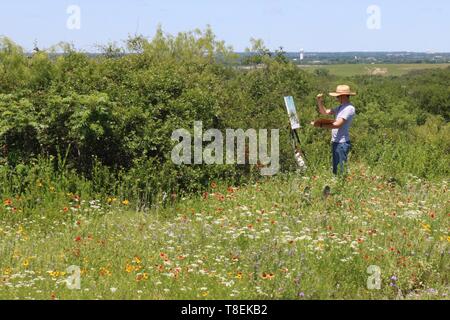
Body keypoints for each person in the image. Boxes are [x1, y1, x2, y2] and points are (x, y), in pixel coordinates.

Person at [311, 85, 356, 176]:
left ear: (343, 96)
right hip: (336, 141)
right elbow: (325, 112)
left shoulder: (349, 108)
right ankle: (337, 186)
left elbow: (337, 124)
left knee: (341, 169)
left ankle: (342, 187)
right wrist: (319, 101)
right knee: (336, 169)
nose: (336, 98)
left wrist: (320, 125)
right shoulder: (340, 107)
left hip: (342, 143)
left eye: (337, 96)